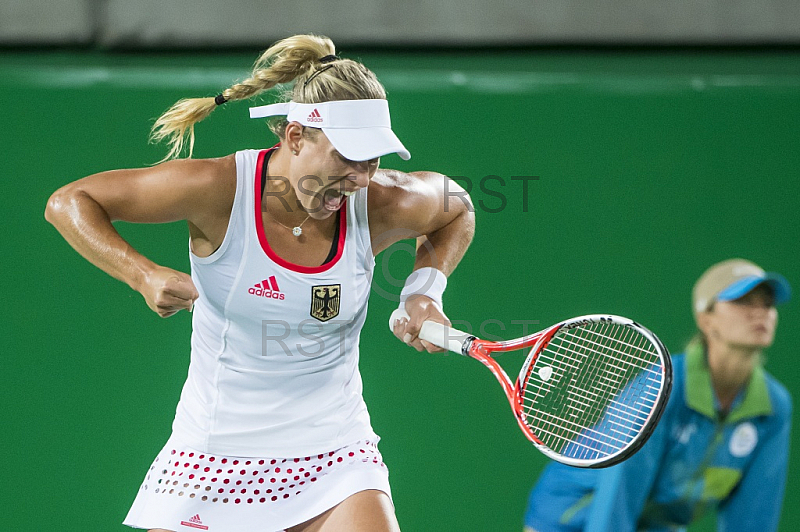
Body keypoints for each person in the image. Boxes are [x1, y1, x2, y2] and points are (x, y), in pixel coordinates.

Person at [45, 34, 474, 532]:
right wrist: (143, 274)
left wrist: (424, 291)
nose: (361, 177)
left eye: (373, 158)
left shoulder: (381, 201)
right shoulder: (218, 189)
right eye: (347, 157)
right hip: (213, 454)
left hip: (336, 453)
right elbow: (70, 202)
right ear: (296, 137)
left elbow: (457, 206)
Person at [523, 258, 792, 532]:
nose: (760, 313)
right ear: (706, 318)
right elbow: (620, 493)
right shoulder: (663, 386)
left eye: (767, 304)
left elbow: (754, 515)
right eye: (743, 302)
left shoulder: (774, 408)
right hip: (571, 514)